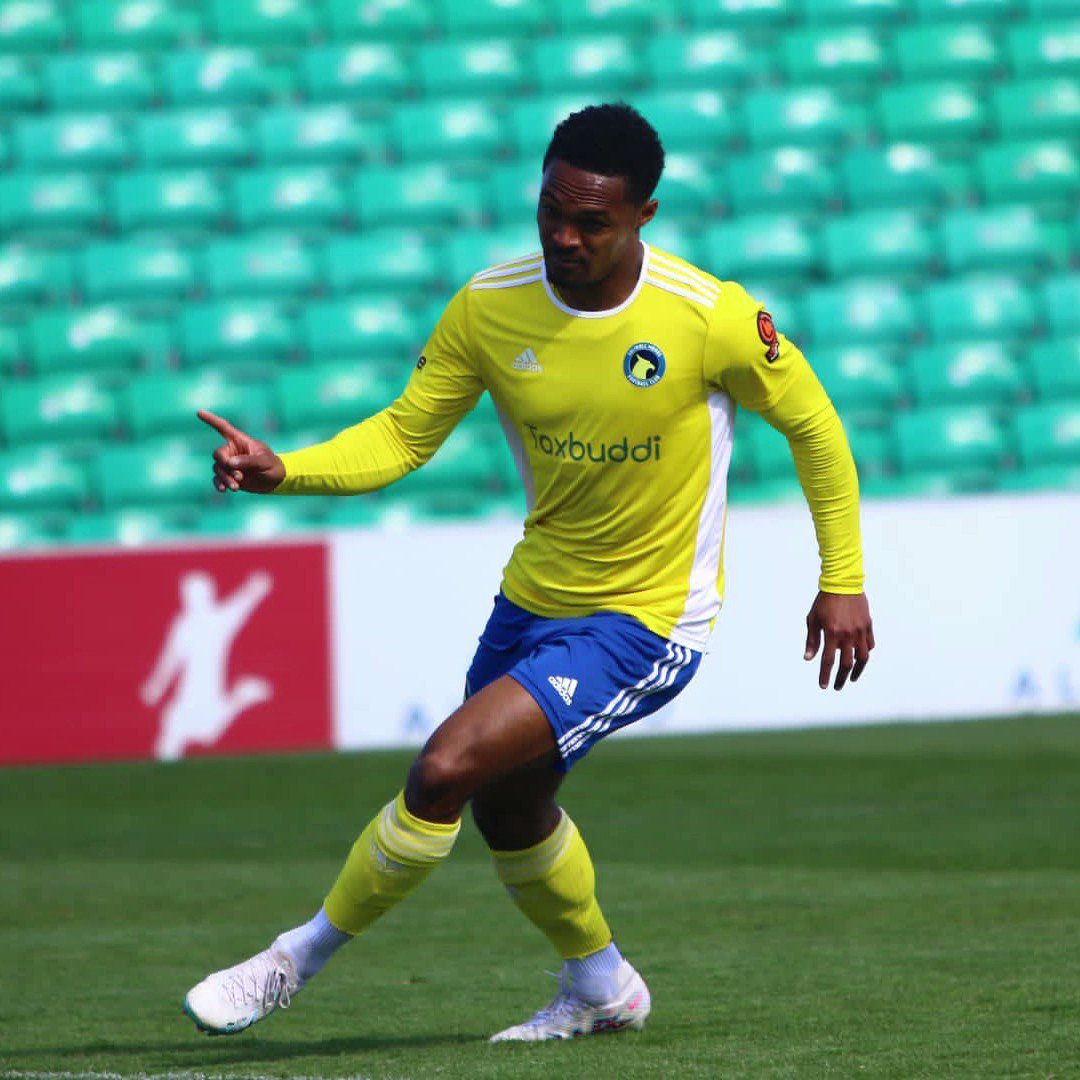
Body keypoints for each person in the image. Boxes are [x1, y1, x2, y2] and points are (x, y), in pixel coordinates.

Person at [184, 103, 874, 1043]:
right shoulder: (489, 304)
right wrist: (287, 469)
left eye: (592, 220)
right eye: (551, 209)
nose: (563, 234)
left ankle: (288, 960)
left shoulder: (709, 316)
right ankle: (600, 985)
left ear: (645, 216)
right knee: (507, 808)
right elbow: (403, 433)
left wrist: (843, 579)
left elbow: (818, 430)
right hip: (531, 601)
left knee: (446, 768)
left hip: (646, 622)